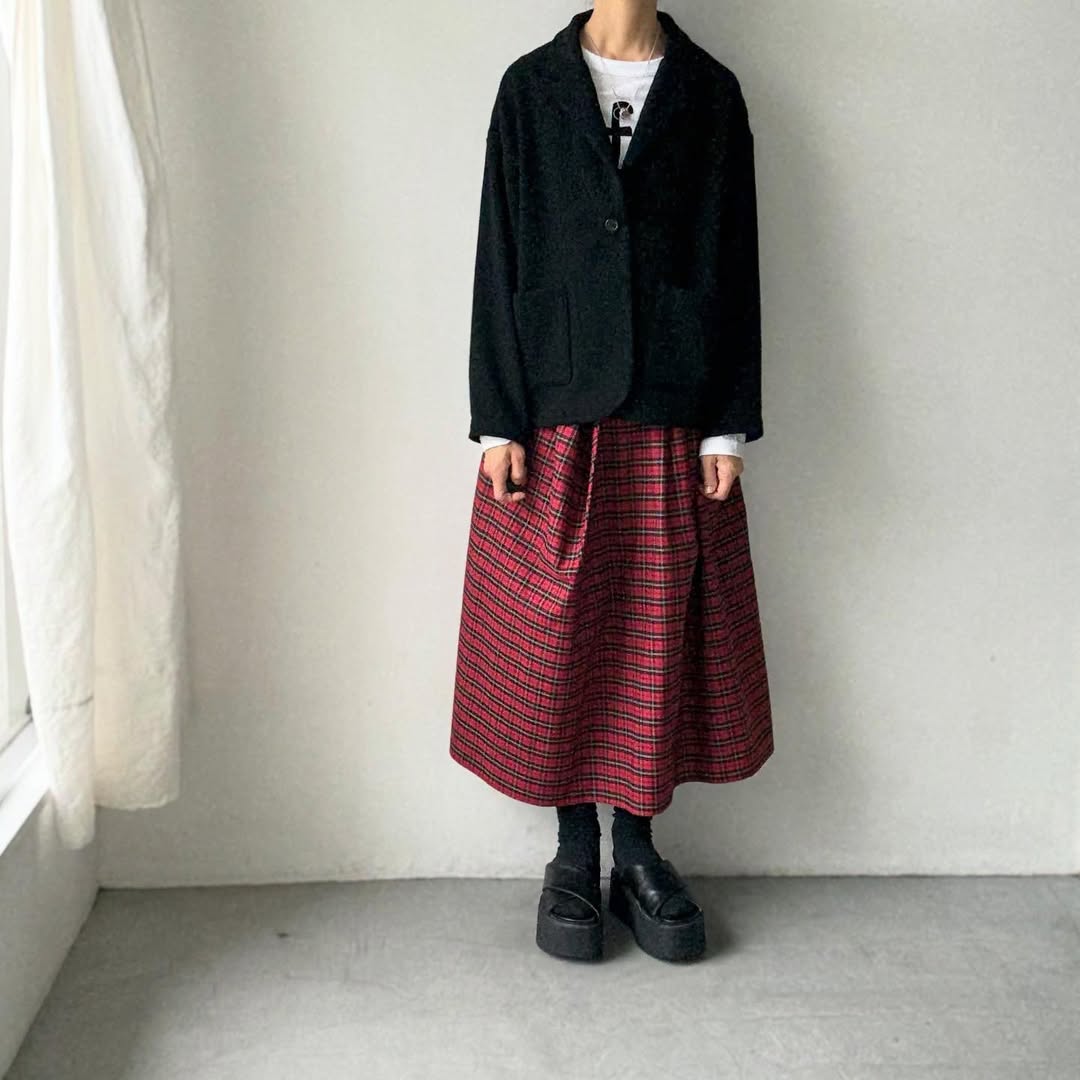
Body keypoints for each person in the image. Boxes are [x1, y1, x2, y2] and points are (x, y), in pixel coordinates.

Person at [450, 2, 773, 964]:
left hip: (672, 407)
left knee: (653, 635)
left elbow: (735, 262)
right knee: (557, 639)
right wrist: (498, 416)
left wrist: (726, 420)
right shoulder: (530, 89)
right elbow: (499, 250)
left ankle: (636, 847)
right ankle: (572, 848)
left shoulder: (710, 94)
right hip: (555, 409)